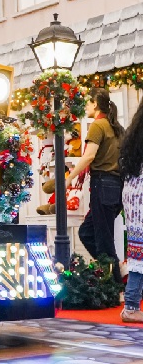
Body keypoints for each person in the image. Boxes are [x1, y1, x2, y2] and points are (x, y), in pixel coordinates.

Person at [66, 88, 125, 283]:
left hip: (102, 185)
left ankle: (114, 284)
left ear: (95, 103)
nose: (85, 106)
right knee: (88, 232)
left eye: (87, 102)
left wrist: (69, 178)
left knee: (103, 239)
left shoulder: (98, 125)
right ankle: (107, 273)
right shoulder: (117, 127)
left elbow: (89, 156)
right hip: (117, 187)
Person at [119, 101, 143, 322]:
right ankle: (132, 306)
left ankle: (131, 304)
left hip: (133, 194)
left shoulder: (135, 131)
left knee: (138, 250)